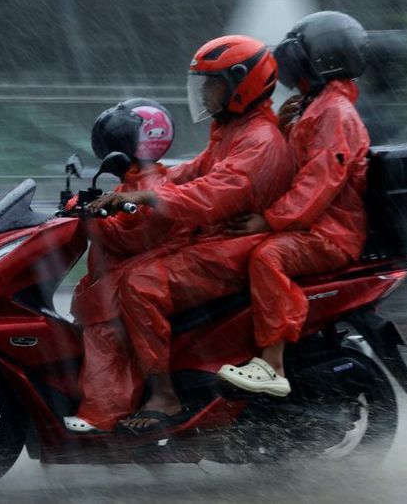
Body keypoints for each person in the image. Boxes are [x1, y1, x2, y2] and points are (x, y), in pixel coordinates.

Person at [88, 35, 294, 432]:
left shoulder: (260, 140)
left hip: (237, 244)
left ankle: (165, 396)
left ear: (241, 84)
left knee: (140, 285)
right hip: (219, 239)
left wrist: (150, 195)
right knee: (135, 268)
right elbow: (194, 171)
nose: (205, 94)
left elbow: (213, 193)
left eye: (213, 84)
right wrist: (133, 187)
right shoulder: (233, 130)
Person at [216, 11, 372, 397]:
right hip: (311, 224)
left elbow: (318, 183)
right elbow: (292, 165)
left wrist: (268, 221)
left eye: (295, 55)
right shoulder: (314, 106)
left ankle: (272, 364)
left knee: (268, 257)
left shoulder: (334, 112)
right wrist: (286, 126)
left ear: (319, 59)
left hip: (329, 233)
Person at [63, 98, 187, 433]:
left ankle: (103, 412)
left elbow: (133, 240)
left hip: (148, 268)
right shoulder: (131, 183)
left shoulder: (154, 184)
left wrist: (92, 219)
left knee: (105, 324)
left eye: (114, 142)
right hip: (131, 268)